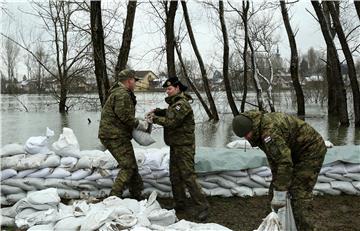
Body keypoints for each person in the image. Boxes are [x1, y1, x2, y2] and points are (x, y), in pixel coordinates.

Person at [232, 110, 327, 231]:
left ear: (252, 127)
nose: (246, 138)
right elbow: (275, 159)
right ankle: (271, 225)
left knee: (299, 193)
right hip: (293, 152)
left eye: (247, 134)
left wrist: (281, 192)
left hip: (310, 151)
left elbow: (284, 162)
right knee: (275, 189)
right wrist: (277, 186)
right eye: (243, 137)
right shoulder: (259, 127)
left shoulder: (269, 134)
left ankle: (306, 227)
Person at [147, 76, 209, 221]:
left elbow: (172, 121)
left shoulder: (183, 104)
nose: (167, 92)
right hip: (176, 146)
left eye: (169, 89)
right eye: (166, 89)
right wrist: (158, 111)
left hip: (185, 147)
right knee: (175, 176)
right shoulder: (175, 104)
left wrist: (154, 119)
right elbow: (170, 113)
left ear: (177, 88)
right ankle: (180, 203)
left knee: (188, 177)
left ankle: (203, 206)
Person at [98, 69, 149, 200]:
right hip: (114, 136)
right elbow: (125, 117)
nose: (136, 83)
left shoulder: (121, 92)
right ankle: (114, 196)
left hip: (116, 134)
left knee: (131, 164)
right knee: (128, 166)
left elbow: (124, 115)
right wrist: (140, 124)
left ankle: (136, 194)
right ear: (129, 80)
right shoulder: (122, 94)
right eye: (135, 80)